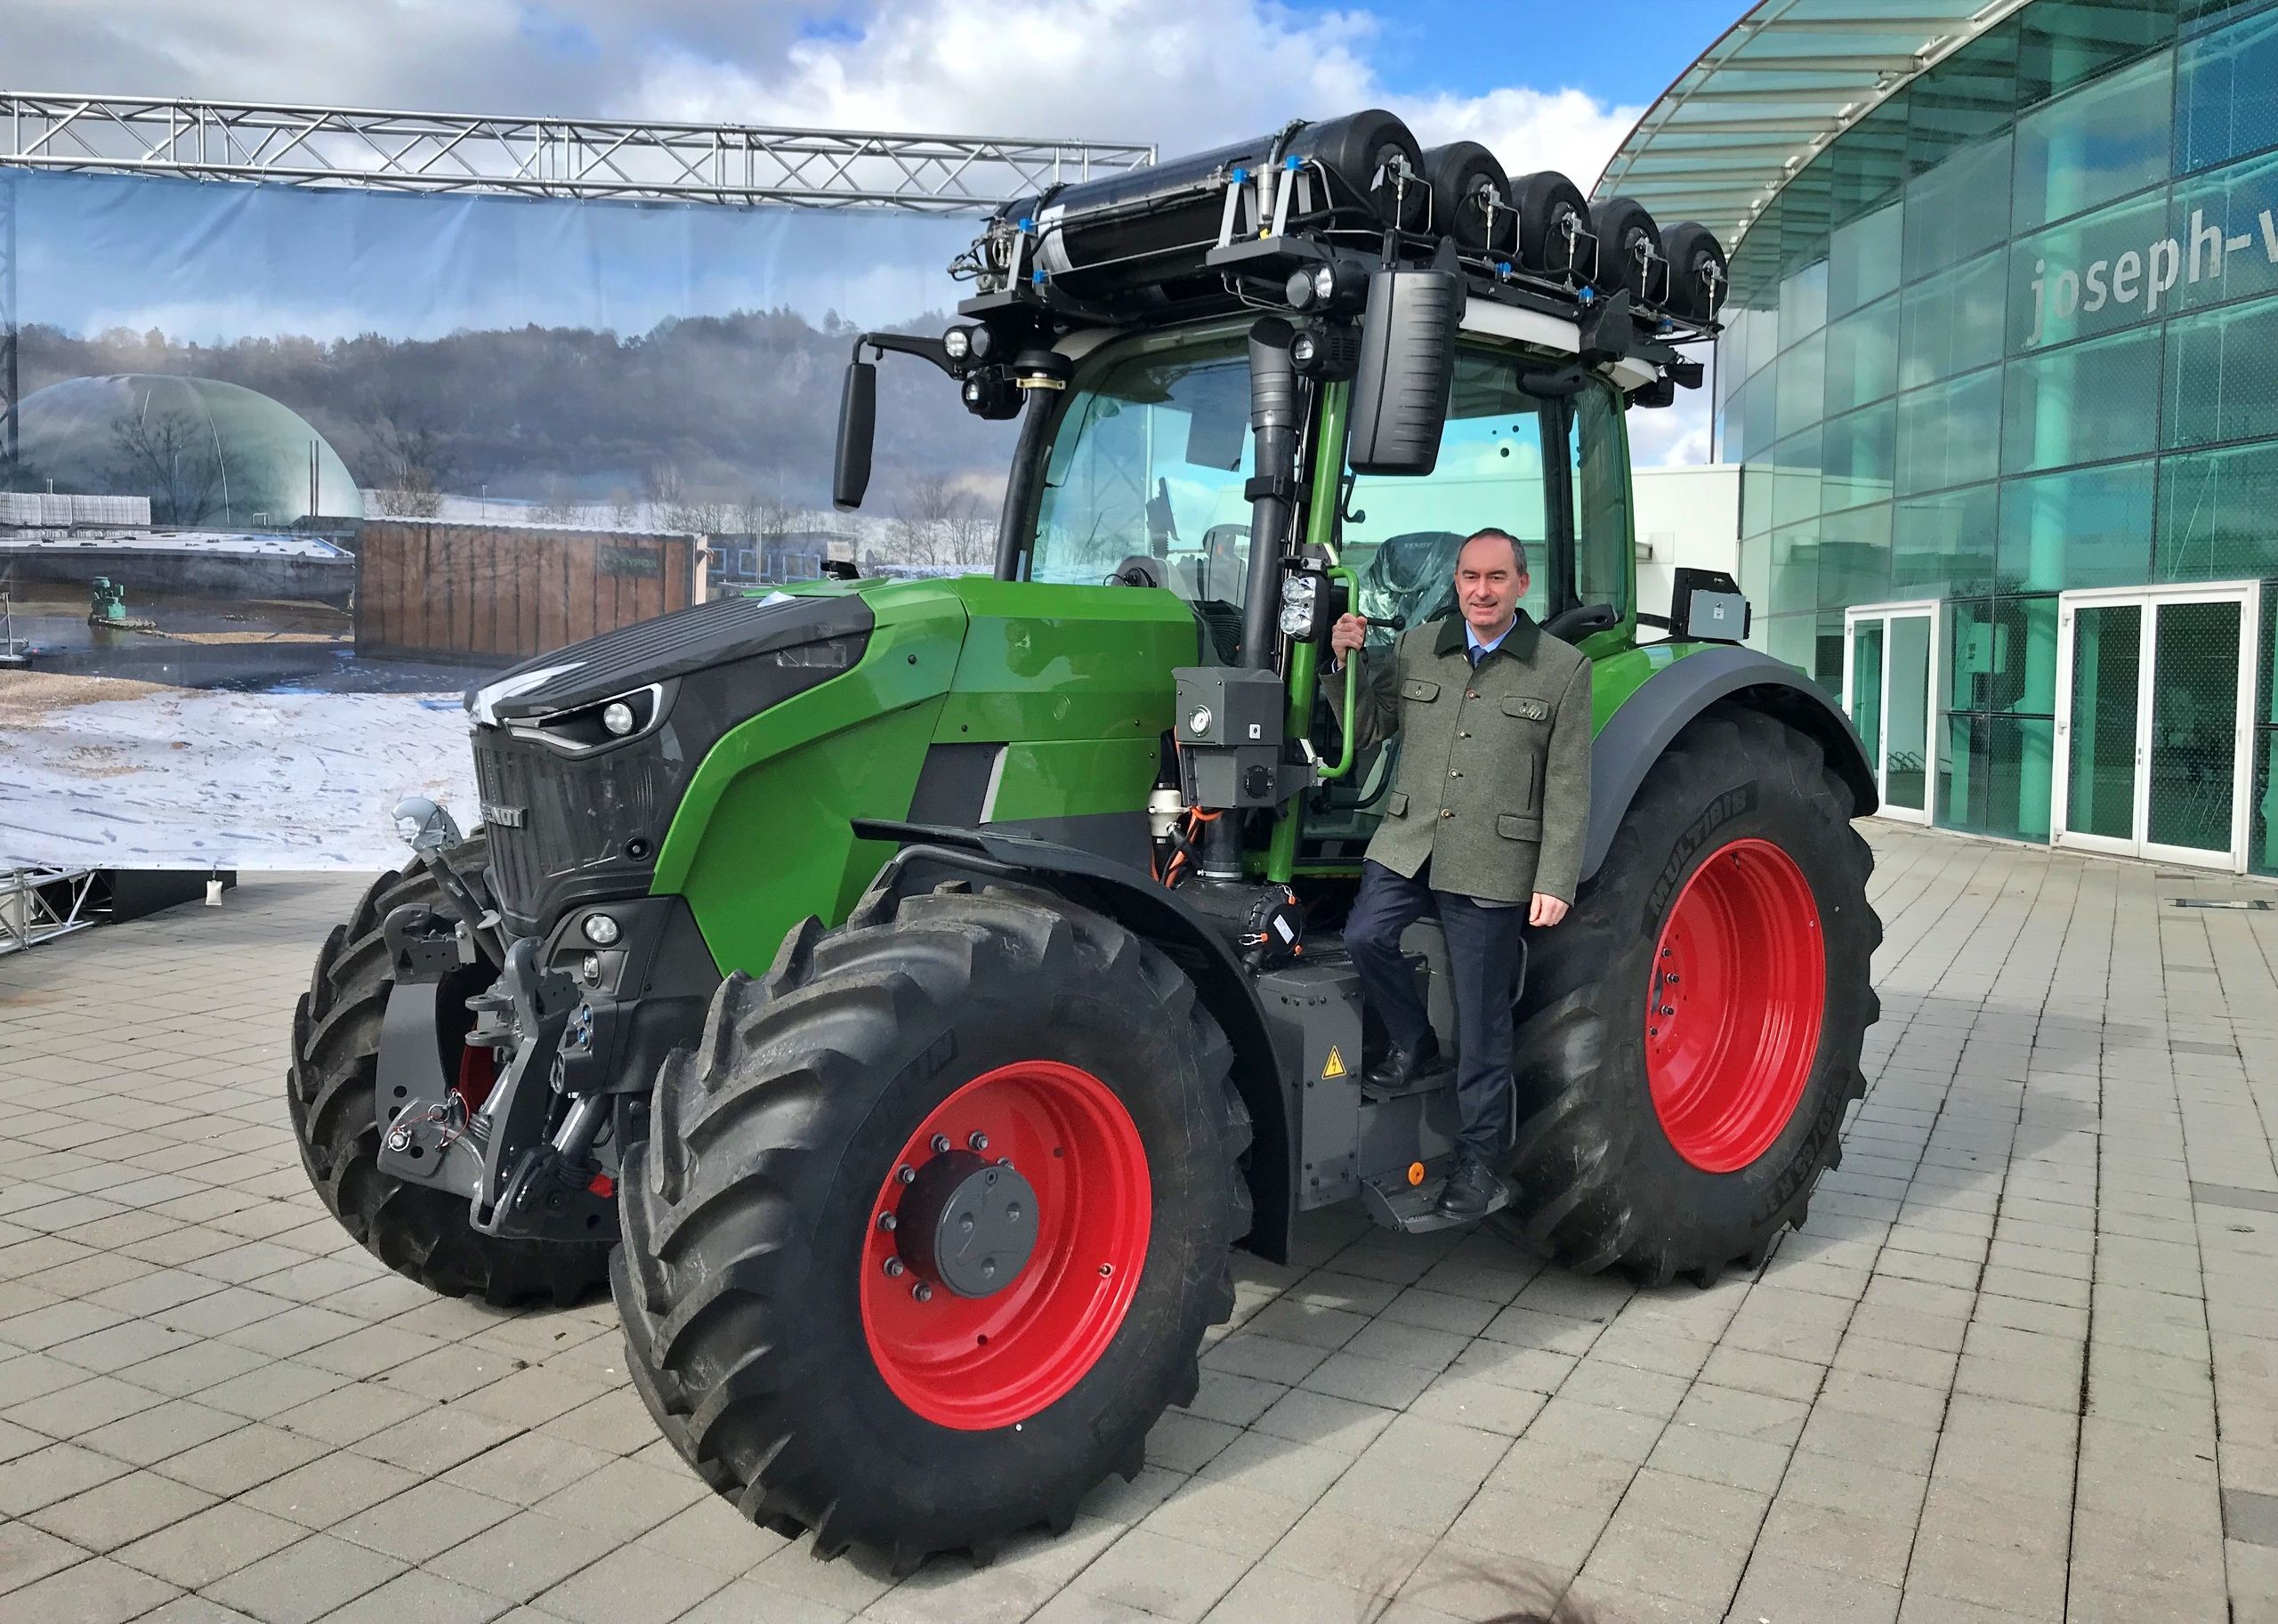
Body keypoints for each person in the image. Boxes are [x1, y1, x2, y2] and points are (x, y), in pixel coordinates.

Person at [1327, 527, 1591, 1218]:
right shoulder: (1420, 646)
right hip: (1411, 840)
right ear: (1458, 583)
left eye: (1496, 577)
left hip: (1492, 859)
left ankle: (1477, 1163)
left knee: (1482, 1023)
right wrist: (1344, 661)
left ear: (1520, 585)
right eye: (1470, 576)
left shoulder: (1562, 669)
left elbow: (1567, 784)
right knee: (1364, 937)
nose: (1481, 589)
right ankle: (1413, 1044)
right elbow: (1371, 725)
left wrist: (1555, 878)